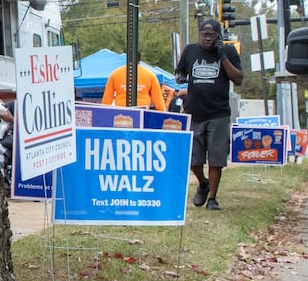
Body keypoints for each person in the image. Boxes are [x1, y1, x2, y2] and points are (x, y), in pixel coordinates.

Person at [175, 18, 244, 211]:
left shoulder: (229, 52)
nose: (207, 39)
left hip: (218, 114)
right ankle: (203, 183)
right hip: (194, 113)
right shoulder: (190, 50)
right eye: (204, 35)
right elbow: (180, 73)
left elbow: (238, 79)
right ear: (199, 35)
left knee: (216, 158)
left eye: (212, 35)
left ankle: (212, 198)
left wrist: (222, 56)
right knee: (193, 160)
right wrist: (180, 76)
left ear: (218, 36)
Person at [101, 61, 168, 110]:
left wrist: (102, 113)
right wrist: (163, 113)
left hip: (121, 111)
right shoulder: (150, 75)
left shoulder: (115, 74)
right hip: (142, 112)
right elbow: (158, 100)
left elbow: (107, 99)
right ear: (140, 60)